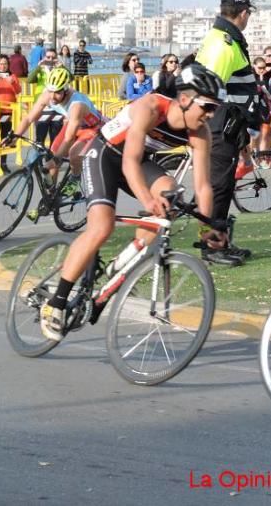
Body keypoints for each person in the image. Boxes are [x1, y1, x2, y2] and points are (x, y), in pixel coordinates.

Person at [35, 64, 228, 340]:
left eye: (215, 109)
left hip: (139, 162)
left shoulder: (200, 133)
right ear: (184, 100)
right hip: (104, 154)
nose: (210, 115)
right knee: (101, 227)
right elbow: (129, 161)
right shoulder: (150, 107)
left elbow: (203, 185)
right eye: (207, 107)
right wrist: (147, 200)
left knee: (172, 193)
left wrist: (207, 227)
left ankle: (124, 261)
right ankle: (56, 303)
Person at [195, 0, 259, 266]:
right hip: (219, 128)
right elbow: (207, 90)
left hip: (229, 127)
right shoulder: (223, 44)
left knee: (223, 186)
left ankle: (220, 241)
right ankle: (211, 248)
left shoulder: (224, 39)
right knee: (218, 187)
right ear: (243, 13)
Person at [6, 66, 104, 192]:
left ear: (66, 89)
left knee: (73, 153)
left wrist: (57, 160)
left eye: (57, 92)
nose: (52, 96)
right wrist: (15, 136)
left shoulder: (77, 104)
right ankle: (51, 197)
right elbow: (29, 118)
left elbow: (69, 138)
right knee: (52, 154)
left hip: (91, 127)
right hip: (72, 124)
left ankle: (75, 178)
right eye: (50, 91)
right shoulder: (48, 95)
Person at [27, 46, 64, 147]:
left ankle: (50, 161)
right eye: (48, 57)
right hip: (41, 107)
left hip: (56, 107)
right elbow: (29, 80)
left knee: (55, 139)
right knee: (40, 139)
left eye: (53, 57)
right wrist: (38, 67)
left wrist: (62, 67)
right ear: (44, 58)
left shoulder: (59, 70)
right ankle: (37, 161)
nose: (50, 60)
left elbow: (71, 78)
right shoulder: (41, 69)